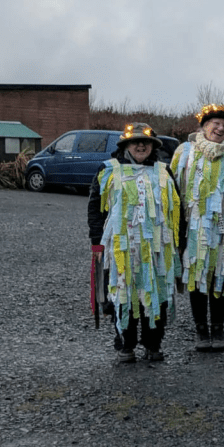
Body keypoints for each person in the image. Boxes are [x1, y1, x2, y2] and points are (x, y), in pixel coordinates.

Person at [88, 123, 181, 362]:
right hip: (122, 248)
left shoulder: (164, 172)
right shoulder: (108, 170)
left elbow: (177, 210)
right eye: (135, 142)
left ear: (153, 146)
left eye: (146, 142)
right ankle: (125, 344)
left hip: (158, 248)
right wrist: (97, 243)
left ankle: (153, 343)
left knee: (156, 292)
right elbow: (96, 209)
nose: (141, 145)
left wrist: (177, 244)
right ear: (126, 145)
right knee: (123, 292)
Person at [170, 104, 224, 352]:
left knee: (220, 276)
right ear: (204, 126)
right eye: (216, 123)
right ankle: (201, 329)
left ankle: (218, 327)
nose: (220, 128)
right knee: (196, 274)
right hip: (194, 227)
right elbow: (170, 188)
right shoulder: (184, 153)